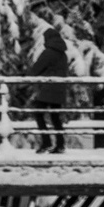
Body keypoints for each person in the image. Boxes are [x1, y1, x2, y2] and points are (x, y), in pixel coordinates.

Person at [26, 24, 72, 154]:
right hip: (59, 88)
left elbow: (36, 69)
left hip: (48, 88)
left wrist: (29, 76)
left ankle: (46, 142)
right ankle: (60, 144)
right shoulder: (63, 54)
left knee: (39, 113)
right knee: (55, 117)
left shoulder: (48, 53)